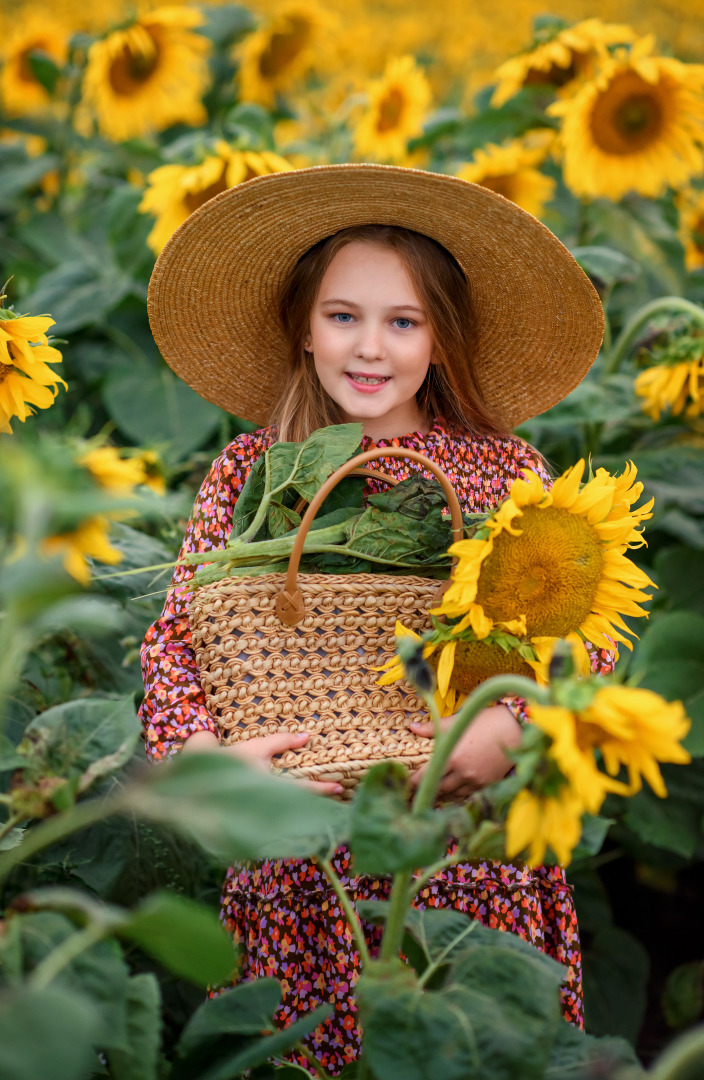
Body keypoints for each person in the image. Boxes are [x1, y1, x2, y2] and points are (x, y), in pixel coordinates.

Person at [140, 164, 613, 1075]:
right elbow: (178, 639)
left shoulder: (501, 473)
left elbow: (571, 635)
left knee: (459, 1042)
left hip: (453, 852)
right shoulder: (250, 473)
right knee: (304, 1049)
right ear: (304, 330)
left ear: (441, 340)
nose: (371, 348)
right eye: (343, 315)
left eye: (404, 321)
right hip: (293, 847)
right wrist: (201, 761)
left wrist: (509, 728)